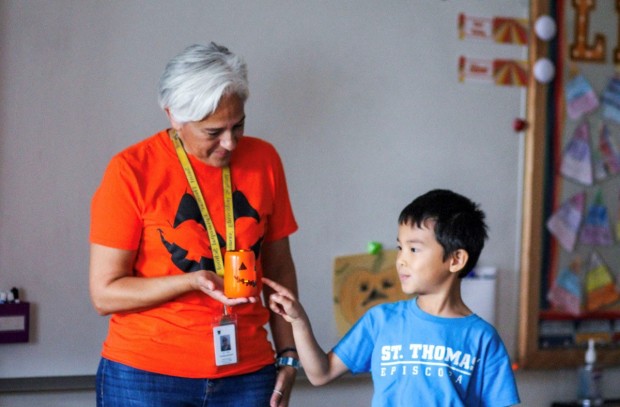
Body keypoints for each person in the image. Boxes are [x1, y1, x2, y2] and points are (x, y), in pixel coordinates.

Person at [89, 42, 300, 407]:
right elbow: (105, 293)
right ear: (174, 116)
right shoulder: (131, 171)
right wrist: (191, 281)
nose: (230, 142)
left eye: (239, 125)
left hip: (248, 374)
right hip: (145, 378)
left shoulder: (265, 160)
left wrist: (288, 354)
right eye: (213, 131)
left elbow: (279, 269)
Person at [264, 189, 521, 406]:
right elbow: (320, 373)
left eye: (414, 249)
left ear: (456, 260)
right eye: (400, 247)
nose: (401, 259)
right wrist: (299, 321)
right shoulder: (381, 320)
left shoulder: (482, 338)